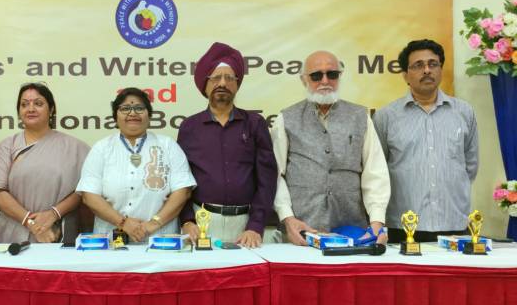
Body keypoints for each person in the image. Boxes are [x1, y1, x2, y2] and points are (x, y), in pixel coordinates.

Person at [271, 50, 390, 245]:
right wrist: (288, 218)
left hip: (353, 234)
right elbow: (275, 175)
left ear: (339, 76)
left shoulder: (360, 116)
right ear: (303, 79)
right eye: (316, 76)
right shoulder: (286, 118)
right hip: (300, 234)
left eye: (332, 74)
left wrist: (377, 221)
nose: (325, 81)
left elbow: (375, 172)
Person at [373, 39, 479, 242]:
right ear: (405, 75)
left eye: (433, 64)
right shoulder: (386, 116)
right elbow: (378, 171)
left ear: (440, 70)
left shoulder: (464, 112)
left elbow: (470, 166)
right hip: (403, 226)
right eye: (418, 65)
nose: (427, 70)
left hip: (454, 222)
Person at [178, 42, 277, 248]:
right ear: (205, 84)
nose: (222, 83)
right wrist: (187, 220)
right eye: (215, 78)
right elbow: (180, 180)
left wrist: (255, 225)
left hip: (246, 228)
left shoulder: (255, 123)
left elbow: (266, 180)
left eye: (229, 78)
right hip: (201, 224)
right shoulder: (190, 127)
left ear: (237, 84)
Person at [77, 88, 195, 241]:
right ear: (115, 117)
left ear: (149, 115)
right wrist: (123, 222)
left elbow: (183, 191)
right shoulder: (101, 148)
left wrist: (153, 224)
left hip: (160, 240)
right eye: (125, 108)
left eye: (139, 108)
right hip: (110, 241)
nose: (132, 113)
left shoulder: (168, 145)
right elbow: (89, 195)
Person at [0, 82, 90, 244]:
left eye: (38, 103)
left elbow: (83, 191)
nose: (30, 109)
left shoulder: (76, 148)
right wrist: (31, 223)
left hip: (58, 233)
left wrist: (53, 214)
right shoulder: (8, 146)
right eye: (24, 104)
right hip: (13, 234)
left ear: (51, 109)